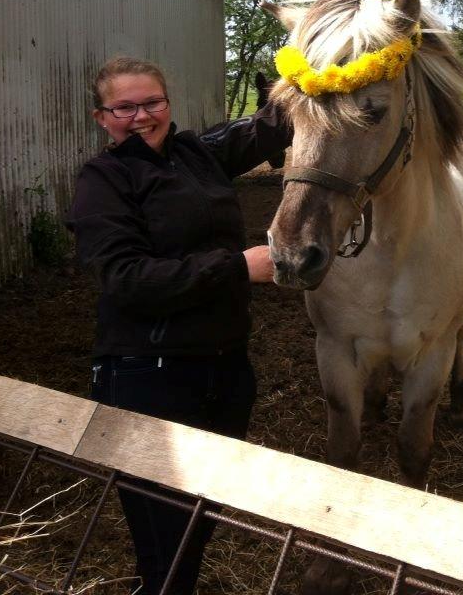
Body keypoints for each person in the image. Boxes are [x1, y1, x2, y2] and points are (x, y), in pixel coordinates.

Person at [66, 56, 291, 595]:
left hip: (226, 368)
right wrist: (238, 266)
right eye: (125, 107)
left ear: (169, 105)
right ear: (102, 117)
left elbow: (274, 124)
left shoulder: (197, 154)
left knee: (202, 514)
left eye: (153, 103)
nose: (142, 116)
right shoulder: (104, 179)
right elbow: (126, 279)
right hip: (148, 374)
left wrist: (320, 60)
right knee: (164, 538)